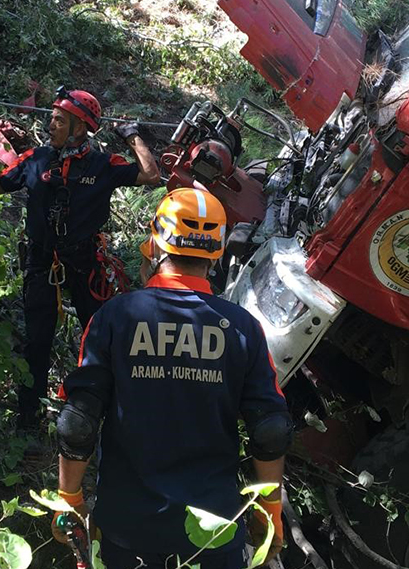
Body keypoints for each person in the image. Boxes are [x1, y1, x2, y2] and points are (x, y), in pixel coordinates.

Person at [52, 188, 293, 569]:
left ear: (155, 243)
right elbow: (270, 431)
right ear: (217, 252)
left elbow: (78, 421)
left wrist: (70, 498)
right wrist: (270, 510)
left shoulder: (115, 318)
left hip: (127, 530)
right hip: (213, 532)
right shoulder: (243, 328)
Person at [0, 88, 159, 436]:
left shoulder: (102, 165)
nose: (50, 124)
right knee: (36, 341)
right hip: (41, 263)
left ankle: (106, 412)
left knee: (98, 338)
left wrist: (133, 137)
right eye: (51, 118)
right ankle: (28, 419)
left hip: (86, 263)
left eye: (59, 120)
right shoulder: (35, 159)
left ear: (80, 128)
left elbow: (150, 175)